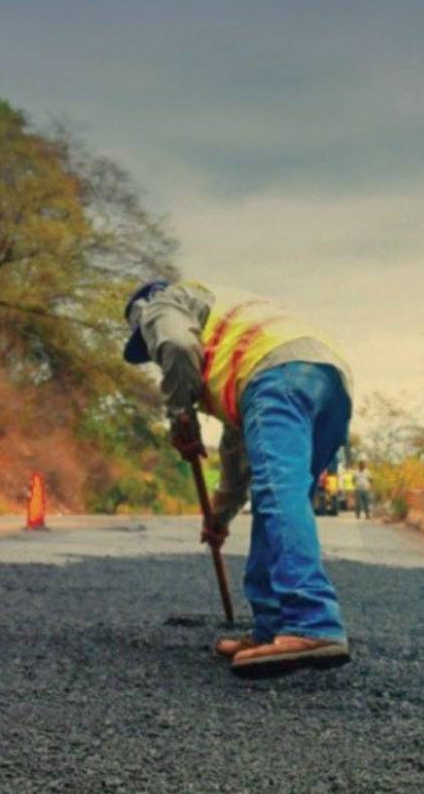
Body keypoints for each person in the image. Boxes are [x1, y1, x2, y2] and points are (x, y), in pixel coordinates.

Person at [122, 279, 353, 677]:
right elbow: (238, 452)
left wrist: (180, 414)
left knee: (278, 495)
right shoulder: (234, 342)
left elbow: (176, 345)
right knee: (278, 499)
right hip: (328, 379)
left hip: (278, 375)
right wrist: (219, 518)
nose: (155, 354)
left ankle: (311, 622)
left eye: (147, 341)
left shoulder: (162, 302)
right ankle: (271, 629)